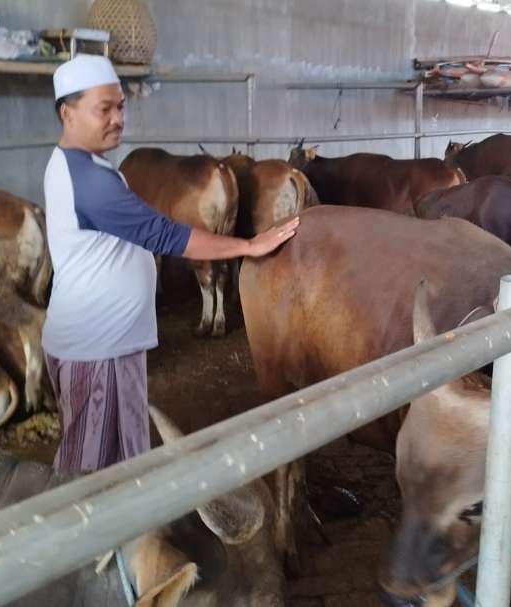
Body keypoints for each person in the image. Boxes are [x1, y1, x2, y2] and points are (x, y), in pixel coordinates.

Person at [43, 53, 298, 472]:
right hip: (95, 345)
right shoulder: (87, 181)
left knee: (123, 452)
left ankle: (127, 529)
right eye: (103, 109)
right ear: (67, 113)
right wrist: (247, 246)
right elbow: (166, 235)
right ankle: (83, 534)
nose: (117, 118)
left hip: (108, 340)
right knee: (86, 468)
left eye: (121, 106)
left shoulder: (86, 166)